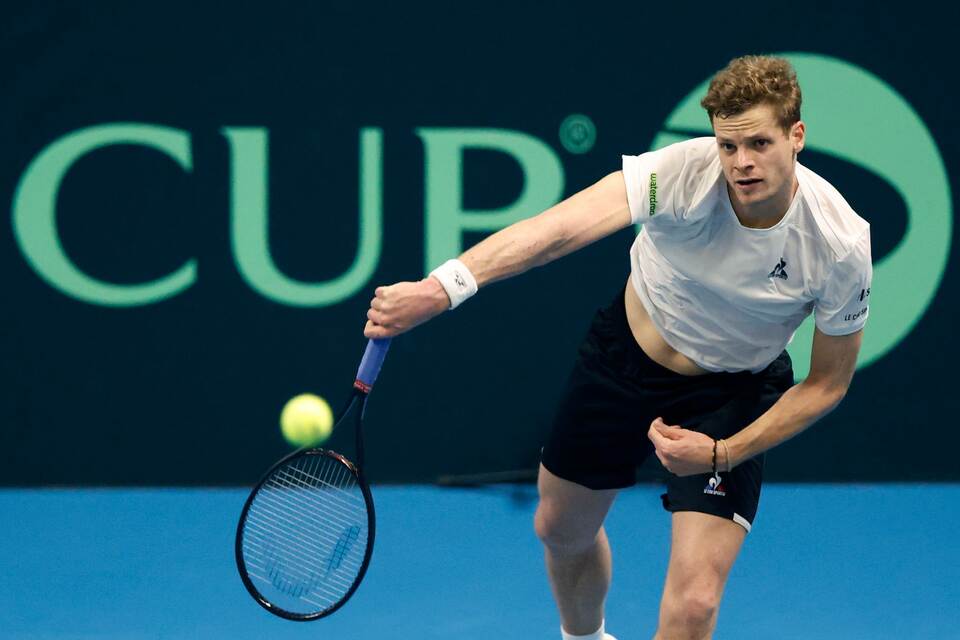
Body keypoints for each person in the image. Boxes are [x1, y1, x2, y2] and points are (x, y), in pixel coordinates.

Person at [364, 55, 871, 640]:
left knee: (696, 603)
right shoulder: (679, 173)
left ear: (796, 135)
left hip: (732, 394)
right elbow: (557, 229)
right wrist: (442, 288)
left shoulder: (838, 243)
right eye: (728, 146)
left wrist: (724, 453)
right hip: (622, 363)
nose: (741, 163)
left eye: (759, 143)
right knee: (559, 530)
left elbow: (827, 383)